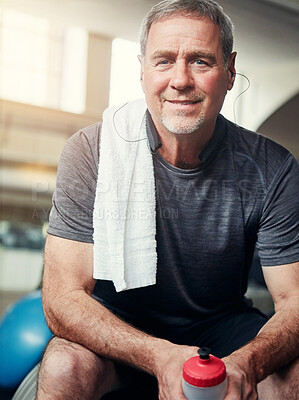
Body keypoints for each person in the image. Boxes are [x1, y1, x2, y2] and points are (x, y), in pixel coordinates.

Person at [35, 0, 299, 399]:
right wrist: (159, 356)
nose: (180, 80)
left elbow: (294, 300)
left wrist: (249, 363)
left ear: (229, 71)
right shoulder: (92, 150)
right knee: (63, 365)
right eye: (163, 61)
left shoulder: (273, 167)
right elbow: (62, 298)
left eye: (200, 62)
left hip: (221, 326)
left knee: (294, 373)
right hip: (119, 323)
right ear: (141, 70)